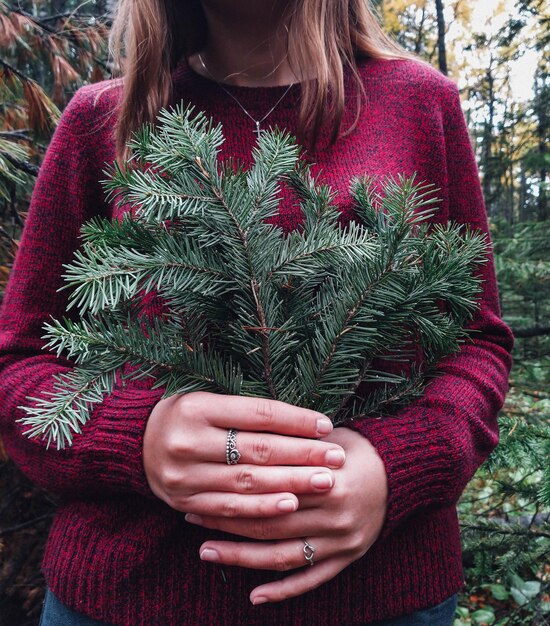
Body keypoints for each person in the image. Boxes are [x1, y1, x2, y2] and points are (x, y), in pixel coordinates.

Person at [0, 1, 514, 625]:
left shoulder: (420, 103)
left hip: (386, 598)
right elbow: (20, 363)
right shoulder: (101, 121)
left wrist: (395, 467)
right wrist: (139, 439)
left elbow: (477, 342)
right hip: (123, 597)